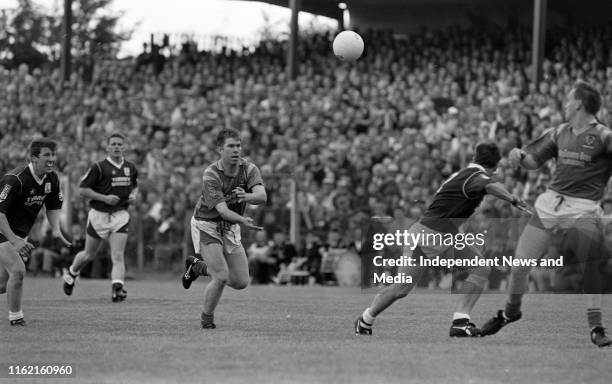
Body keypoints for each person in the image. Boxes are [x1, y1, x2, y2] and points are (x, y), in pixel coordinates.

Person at [480, 81, 612, 347]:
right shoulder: (558, 132)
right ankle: (511, 312)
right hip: (550, 205)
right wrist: (519, 156)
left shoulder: (605, 136)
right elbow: (532, 162)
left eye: (567, 99)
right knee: (518, 267)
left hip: (583, 207)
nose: (564, 104)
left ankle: (596, 327)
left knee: (590, 263)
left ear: (578, 104)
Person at [355, 142, 530, 337]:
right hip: (426, 237)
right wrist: (513, 198)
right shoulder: (475, 177)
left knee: (481, 267)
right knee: (401, 288)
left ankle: (460, 322)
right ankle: (365, 320)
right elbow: (489, 184)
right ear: (494, 165)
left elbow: (488, 180)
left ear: (474, 158)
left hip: (446, 235)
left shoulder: (468, 173)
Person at [181, 128, 266, 329]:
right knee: (221, 276)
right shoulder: (211, 174)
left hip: (231, 226)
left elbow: (262, 196)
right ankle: (207, 320)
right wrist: (243, 220)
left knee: (240, 282)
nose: (236, 150)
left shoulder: (249, 169)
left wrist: (247, 196)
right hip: (207, 224)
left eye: (238, 145)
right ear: (220, 149)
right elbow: (222, 210)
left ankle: (197, 267)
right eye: (231, 146)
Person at [0, 138, 70, 326]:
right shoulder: (15, 179)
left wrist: (56, 230)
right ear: (33, 158)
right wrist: (14, 240)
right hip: (2, 229)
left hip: (19, 234)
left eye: (53, 155)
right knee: (18, 270)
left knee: (1, 284)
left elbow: (53, 207)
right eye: (46, 155)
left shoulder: (52, 179)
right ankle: (16, 319)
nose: (51, 159)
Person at [62, 133, 138, 302]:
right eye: (113, 144)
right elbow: (82, 190)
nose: (117, 147)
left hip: (120, 215)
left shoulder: (131, 167)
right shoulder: (98, 167)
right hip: (99, 216)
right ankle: (72, 273)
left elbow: (135, 186)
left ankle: (117, 289)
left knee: (117, 255)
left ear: (124, 147)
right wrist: (104, 198)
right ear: (107, 147)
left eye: (120, 144)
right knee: (89, 254)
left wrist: (133, 195)